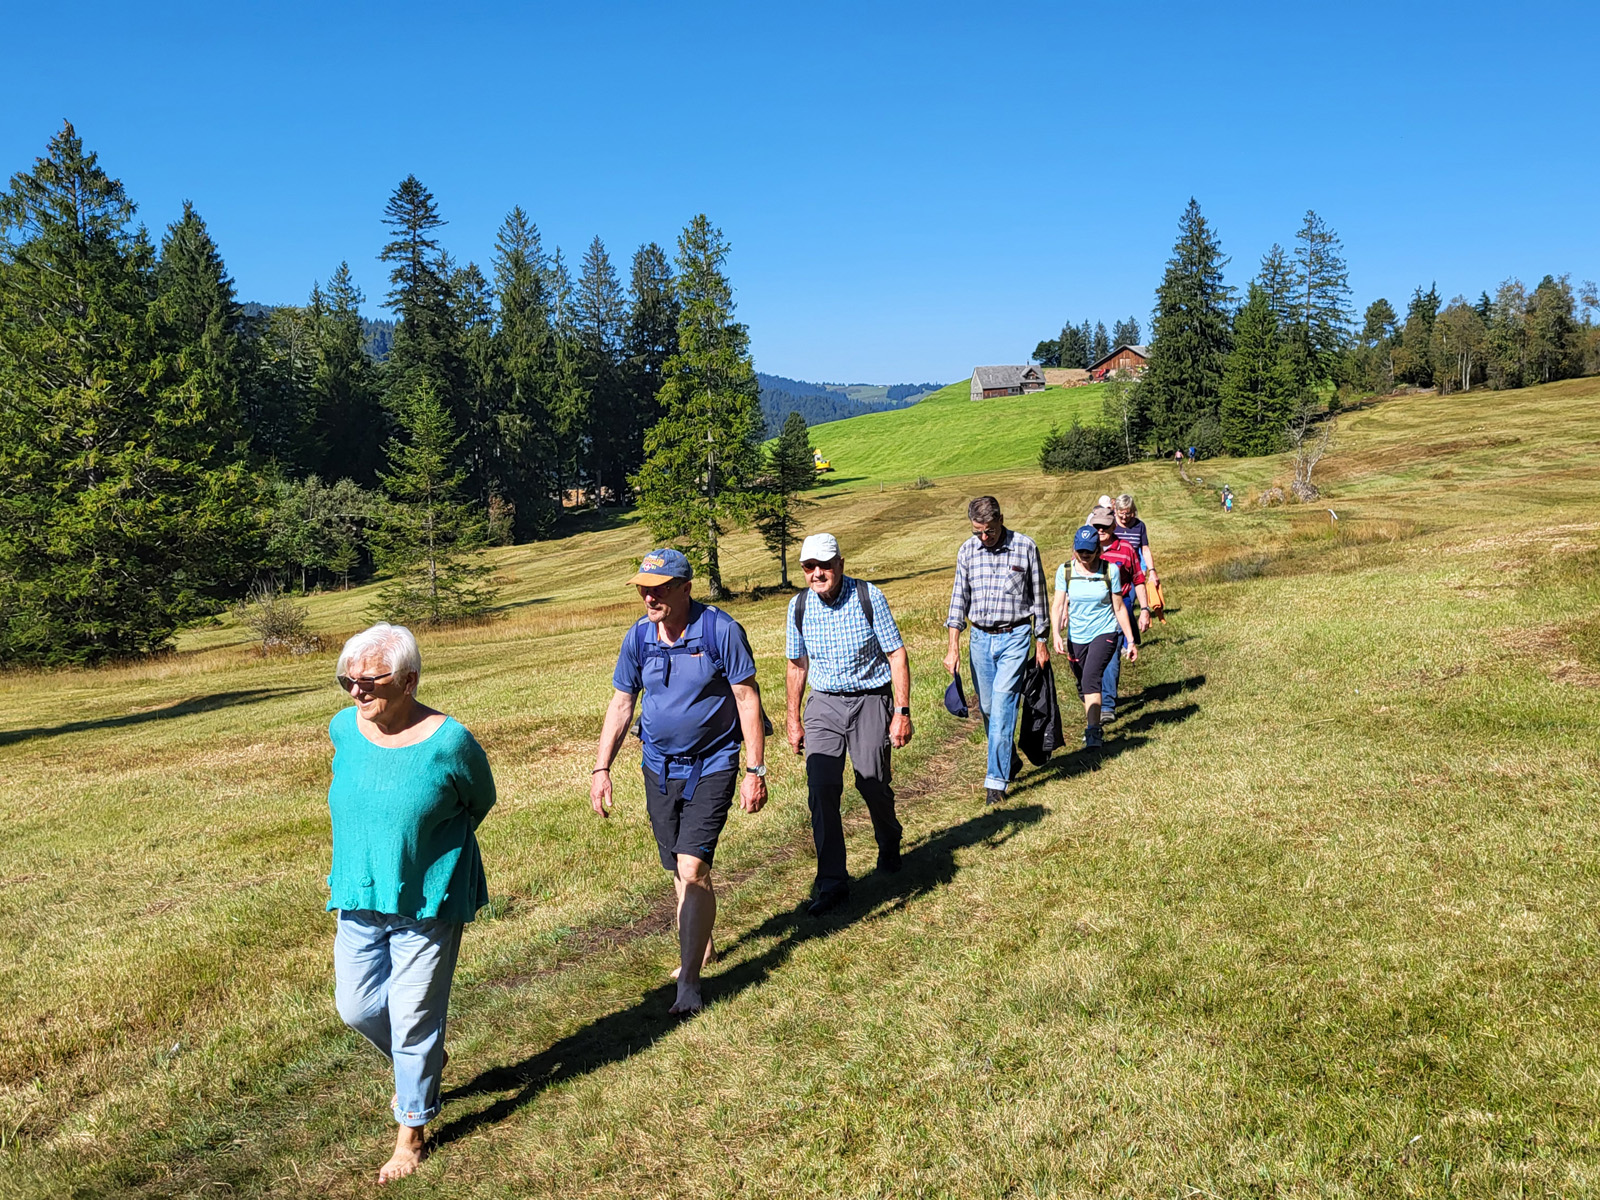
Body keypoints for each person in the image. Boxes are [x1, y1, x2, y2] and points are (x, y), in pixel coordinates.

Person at [326, 623, 496, 1183]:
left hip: (428, 898)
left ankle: (412, 1133)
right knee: (356, 1007)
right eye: (347, 680)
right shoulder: (343, 731)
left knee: (415, 1017)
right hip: (359, 893)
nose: (357, 691)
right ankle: (419, 1063)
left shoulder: (449, 741)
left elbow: (479, 798)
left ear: (409, 680)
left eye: (370, 680)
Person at [591, 548, 767, 1015]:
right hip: (657, 766)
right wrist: (601, 767)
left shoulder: (721, 631)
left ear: (685, 587)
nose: (649, 597)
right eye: (643, 589)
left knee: (692, 868)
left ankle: (689, 983)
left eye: (659, 588)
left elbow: (747, 698)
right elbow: (622, 703)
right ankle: (701, 944)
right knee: (677, 867)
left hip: (713, 763)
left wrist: (756, 770)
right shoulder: (639, 638)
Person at [785, 533, 913, 916]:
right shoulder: (799, 606)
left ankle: (890, 841)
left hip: (870, 699)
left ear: (841, 563)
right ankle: (832, 882)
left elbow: (896, 654)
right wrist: (793, 720)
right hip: (823, 703)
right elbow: (796, 665)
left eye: (825, 565)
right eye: (810, 567)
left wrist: (901, 712)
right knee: (822, 788)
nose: (818, 573)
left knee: (872, 781)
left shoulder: (868, 597)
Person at [943, 495, 1049, 805]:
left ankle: (995, 783)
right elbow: (958, 601)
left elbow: (1039, 596)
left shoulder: (1025, 547)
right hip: (979, 639)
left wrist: (1041, 639)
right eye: (978, 531)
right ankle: (1009, 759)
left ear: (1000, 520)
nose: (984, 537)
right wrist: (953, 646)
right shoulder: (967, 551)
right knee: (988, 708)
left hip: (1015, 635)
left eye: (988, 531)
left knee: (1003, 706)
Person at [1053, 506, 1149, 722]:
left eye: (1104, 526)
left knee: (1107, 662)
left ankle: (1105, 707)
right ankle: (1090, 695)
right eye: (1096, 526)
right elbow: (1069, 588)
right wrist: (1064, 613)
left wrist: (1144, 609)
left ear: (1113, 526)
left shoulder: (1124, 550)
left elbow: (1137, 579)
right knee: (1084, 676)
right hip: (1081, 618)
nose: (1100, 530)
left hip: (1114, 609)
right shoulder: (1078, 554)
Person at [1058, 525, 1138, 749]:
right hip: (1077, 635)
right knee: (1083, 682)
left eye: (1089, 551)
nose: (1085, 555)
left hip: (1105, 631)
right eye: (1080, 551)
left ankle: (1093, 732)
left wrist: (1130, 640)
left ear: (1098, 550)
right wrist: (1055, 632)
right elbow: (1057, 604)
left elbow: (1119, 607)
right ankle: (1092, 715)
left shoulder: (1109, 570)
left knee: (1091, 677)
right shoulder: (1065, 571)